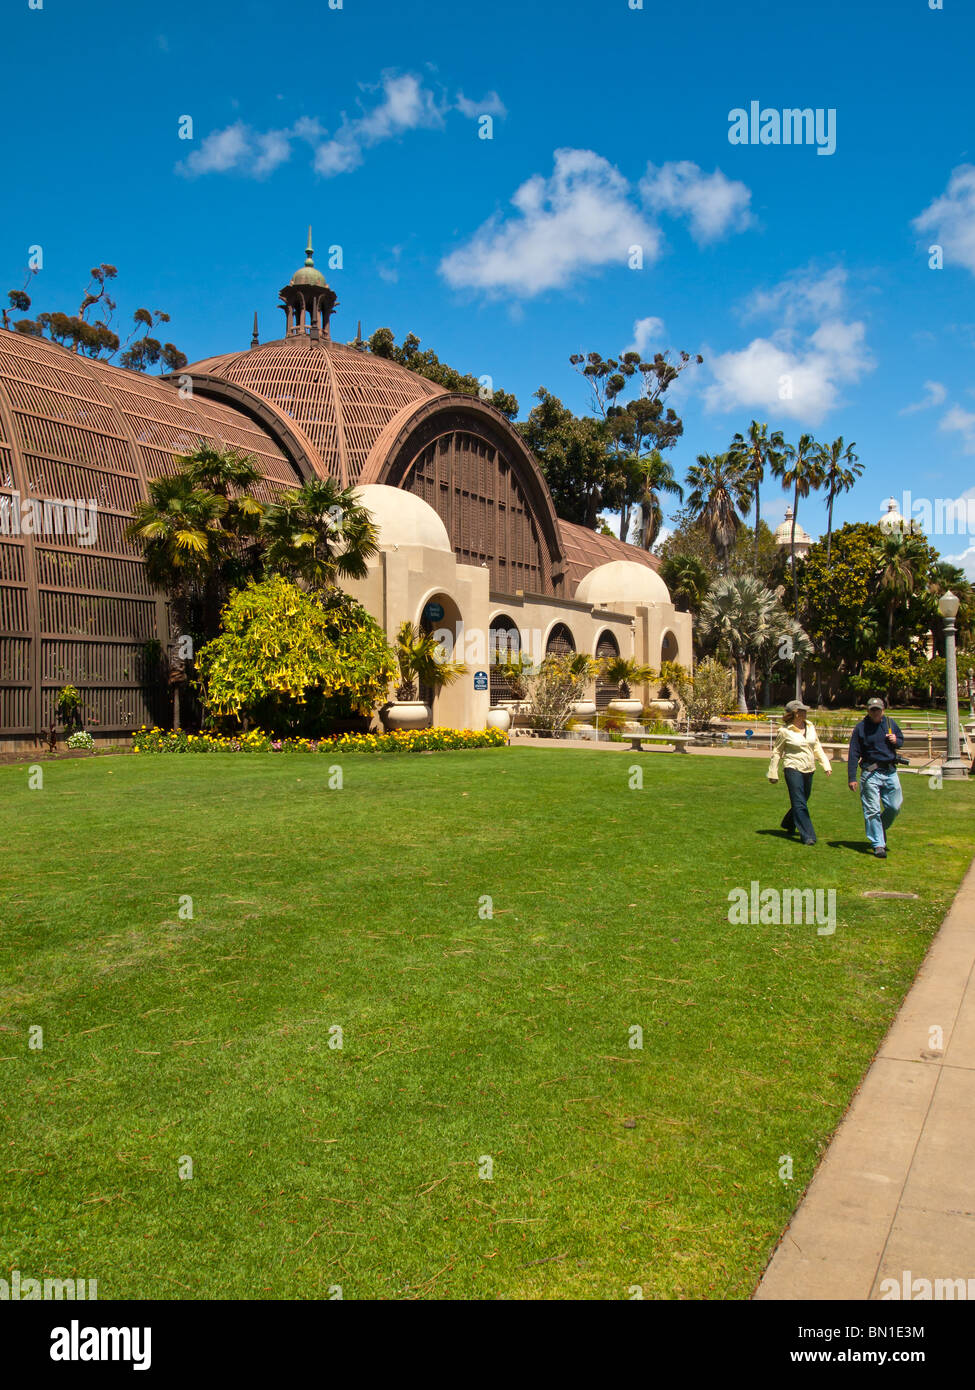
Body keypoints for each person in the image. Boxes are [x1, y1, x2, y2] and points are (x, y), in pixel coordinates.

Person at [767, 699, 832, 844]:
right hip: (793, 768)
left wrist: (826, 764)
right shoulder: (785, 731)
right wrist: (773, 772)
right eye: (803, 710)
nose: (806, 712)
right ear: (796, 713)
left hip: (809, 768)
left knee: (803, 799)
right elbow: (777, 752)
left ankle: (788, 823)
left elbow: (817, 747)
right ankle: (808, 835)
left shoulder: (810, 726)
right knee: (799, 802)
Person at [847, 697, 904, 859]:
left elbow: (901, 741)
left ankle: (879, 828)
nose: (875, 712)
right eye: (872, 709)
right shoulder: (861, 728)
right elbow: (853, 753)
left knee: (894, 806)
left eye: (878, 709)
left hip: (890, 771)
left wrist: (896, 740)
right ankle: (878, 844)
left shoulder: (890, 724)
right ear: (868, 711)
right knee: (872, 810)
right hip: (870, 773)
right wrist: (852, 777)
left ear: (883, 710)